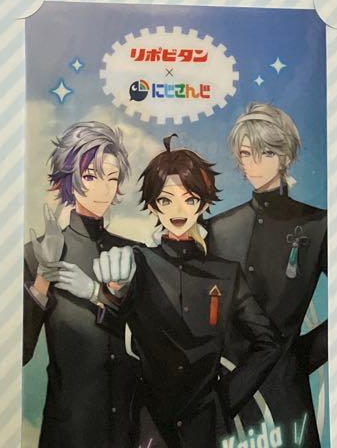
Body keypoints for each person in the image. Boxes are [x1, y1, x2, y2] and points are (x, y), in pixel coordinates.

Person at [93, 135, 281, 448]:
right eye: (166, 200)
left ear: (203, 204)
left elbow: (269, 344)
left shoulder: (226, 274)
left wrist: (225, 399)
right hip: (148, 424)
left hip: (206, 426)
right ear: (153, 206)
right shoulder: (138, 262)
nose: (178, 210)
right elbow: (109, 326)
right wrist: (113, 291)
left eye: (189, 199)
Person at [208, 103, 328, 446]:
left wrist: (297, 358)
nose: (254, 164)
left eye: (266, 152)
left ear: (285, 155)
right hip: (226, 393)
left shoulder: (317, 225)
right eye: (246, 153)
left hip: (287, 397)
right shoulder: (217, 228)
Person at [23, 121, 139, 448]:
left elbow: (149, 341)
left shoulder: (136, 253)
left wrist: (97, 294)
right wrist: (43, 277)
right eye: (90, 176)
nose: (104, 190)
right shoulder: (35, 253)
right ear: (68, 179)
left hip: (130, 427)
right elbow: (19, 352)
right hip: (70, 431)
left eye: (112, 178)